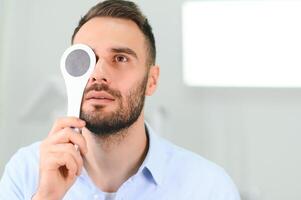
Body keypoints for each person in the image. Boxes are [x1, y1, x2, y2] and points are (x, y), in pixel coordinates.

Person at [0, 0, 241, 199]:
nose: (98, 74)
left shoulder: (208, 187)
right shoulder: (26, 172)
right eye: (86, 58)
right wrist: (47, 196)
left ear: (152, 80)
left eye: (121, 59)